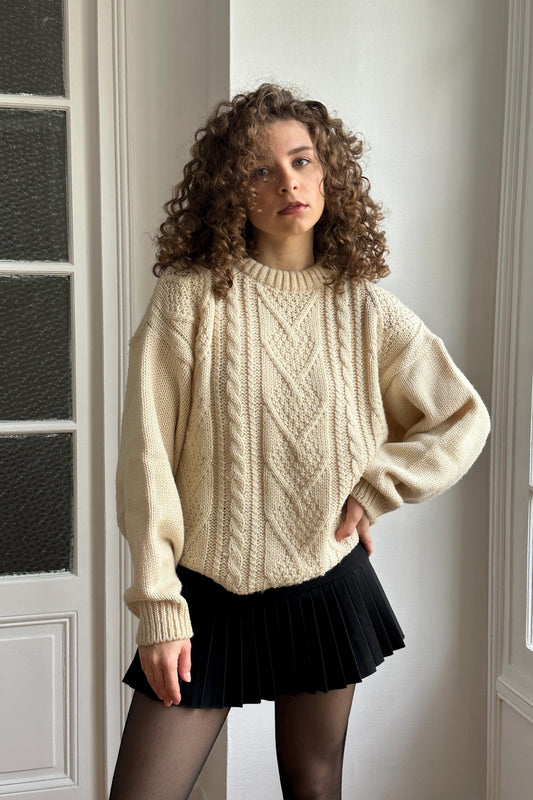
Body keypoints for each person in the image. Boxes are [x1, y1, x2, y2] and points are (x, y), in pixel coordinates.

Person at [109, 84, 490, 800]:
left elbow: (461, 416)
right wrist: (159, 603)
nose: (288, 182)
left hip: (325, 582)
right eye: (261, 169)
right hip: (207, 588)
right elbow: (147, 459)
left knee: (314, 788)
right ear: (230, 190)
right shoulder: (190, 298)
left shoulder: (366, 308)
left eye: (302, 160)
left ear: (327, 172)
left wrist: (377, 484)